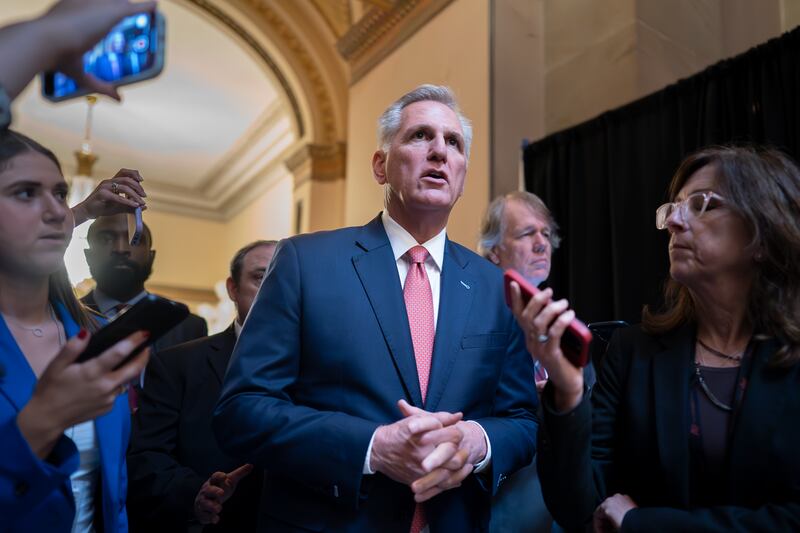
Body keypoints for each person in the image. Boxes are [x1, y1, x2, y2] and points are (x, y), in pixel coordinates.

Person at [213, 85, 538, 532]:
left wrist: (476, 442)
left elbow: (521, 420)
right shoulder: (305, 263)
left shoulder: (495, 287)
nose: (439, 152)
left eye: (453, 142)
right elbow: (241, 411)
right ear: (381, 166)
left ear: (462, 176)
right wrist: (372, 446)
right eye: (420, 136)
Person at [513, 145, 800, 531]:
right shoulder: (632, 353)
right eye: (673, 207)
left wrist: (641, 523)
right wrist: (567, 391)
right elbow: (579, 508)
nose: (674, 222)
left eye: (703, 204)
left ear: (762, 236)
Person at [0, 129, 151, 532]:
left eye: (60, 194)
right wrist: (44, 421)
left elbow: (111, 487)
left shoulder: (93, 335)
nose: (54, 210)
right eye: (26, 193)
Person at [127, 240, 277, 532]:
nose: (274, 290)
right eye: (260, 278)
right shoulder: (176, 364)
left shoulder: (321, 365)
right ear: (233, 289)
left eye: (282, 279)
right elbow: (145, 457)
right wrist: (196, 494)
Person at [0, 0, 157, 129]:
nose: (117, 44)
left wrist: (51, 34)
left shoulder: (124, 63)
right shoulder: (100, 61)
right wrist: (51, 35)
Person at [82, 214, 208, 351]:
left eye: (135, 240)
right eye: (106, 239)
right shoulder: (61, 316)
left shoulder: (188, 326)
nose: (121, 249)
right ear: (88, 256)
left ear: (151, 257)